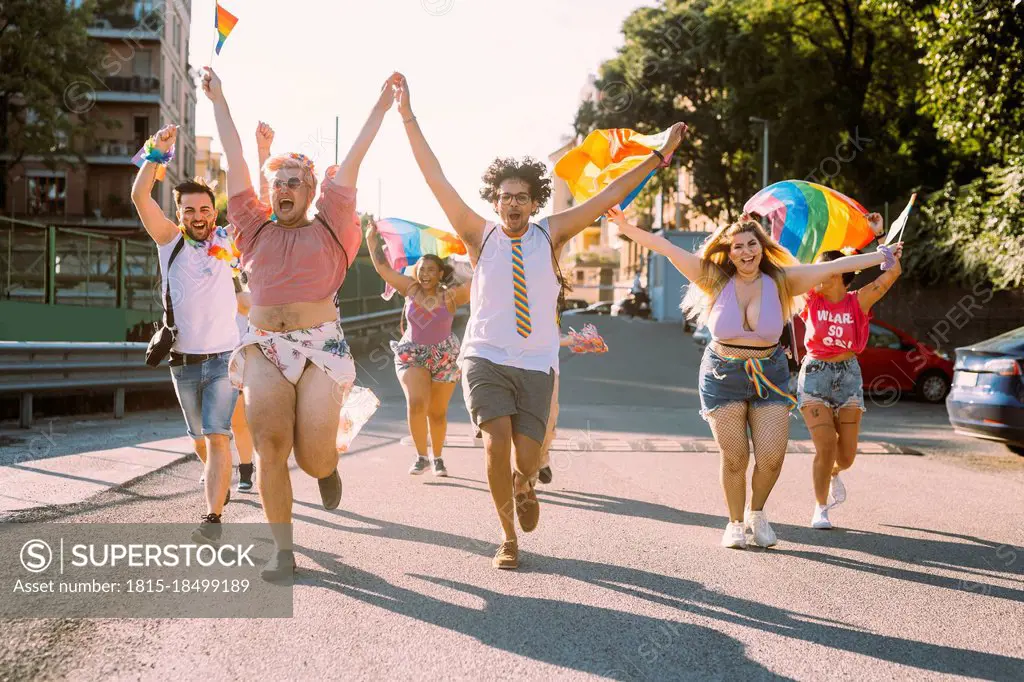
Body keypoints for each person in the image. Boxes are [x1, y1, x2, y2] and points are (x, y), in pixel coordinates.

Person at [393, 72, 688, 569]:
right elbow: (435, 176)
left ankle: (526, 484)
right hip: (485, 357)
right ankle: (508, 537)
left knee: (527, 459)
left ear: (534, 202)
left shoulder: (550, 235)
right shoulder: (478, 234)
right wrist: (406, 115)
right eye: (504, 196)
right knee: (494, 446)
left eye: (521, 197)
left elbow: (607, 194)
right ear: (496, 201)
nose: (512, 204)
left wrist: (658, 158)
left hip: (537, 363)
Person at [607, 206, 901, 549]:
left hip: (770, 372)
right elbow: (666, 248)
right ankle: (734, 523)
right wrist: (626, 226)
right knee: (735, 458)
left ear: (762, 248)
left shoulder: (781, 281)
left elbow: (835, 267)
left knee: (772, 457)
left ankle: (757, 513)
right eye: (738, 247)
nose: (746, 251)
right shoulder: (713, 277)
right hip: (723, 373)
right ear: (728, 252)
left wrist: (880, 253)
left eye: (752, 244)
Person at [204, 66, 387, 580]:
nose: (284, 189)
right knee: (269, 446)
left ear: (310, 190)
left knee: (312, 459)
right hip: (264, 346)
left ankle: (329, 467)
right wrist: (220, 98)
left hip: (320, 348)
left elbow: (353, 160)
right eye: (277, 183)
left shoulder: (333, 224)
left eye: (294, 183)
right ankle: (283, 551)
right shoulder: (251, 226)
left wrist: (380, 106)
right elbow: (237, 160)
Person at [130, 124, 239, 543]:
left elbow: (259, 211)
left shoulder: (229, 241)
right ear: (179, 214)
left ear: (215, 211)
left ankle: (212, 518)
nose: (198, 217)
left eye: (204, 209)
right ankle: (218, 478)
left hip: (224, 360)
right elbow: (140, 197)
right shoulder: (169, 243)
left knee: (217, 434)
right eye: (189, 210)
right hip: (182, 361)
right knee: (199, 439)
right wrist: (156, 153)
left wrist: (263, 150)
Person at [798, 230, 903, 529]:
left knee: (846, 457)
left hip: (849, 377)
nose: (818, 273)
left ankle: (834, 473)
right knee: (825, 444)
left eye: (825, 269)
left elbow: (891, 274)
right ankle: (820, 508)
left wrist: (886, 247)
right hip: (815, 374)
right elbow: (786, 276)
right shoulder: (810, 299)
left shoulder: (859, 301)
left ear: (839, 273)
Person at [365, 222, 471, 477]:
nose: (424, 274)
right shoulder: (410, 289)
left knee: (437, 413)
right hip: (413, 353)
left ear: (440, 273)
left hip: (444, 356)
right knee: (416, 403)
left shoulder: (452, 296)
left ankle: (438, 457)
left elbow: (479, 276)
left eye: (430, 270)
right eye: (421, 269)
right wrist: (371, 240)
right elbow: (382, 268)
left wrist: (470, 242)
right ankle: (421, 456)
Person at [230, 122, 276, 494]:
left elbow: (265, 208)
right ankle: (244, 468)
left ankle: (264, 468)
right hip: (232, 347)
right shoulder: (221, 255)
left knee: (261, 417)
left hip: (269, 344)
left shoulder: (264, 245)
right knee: (235, 419)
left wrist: (264, 153)